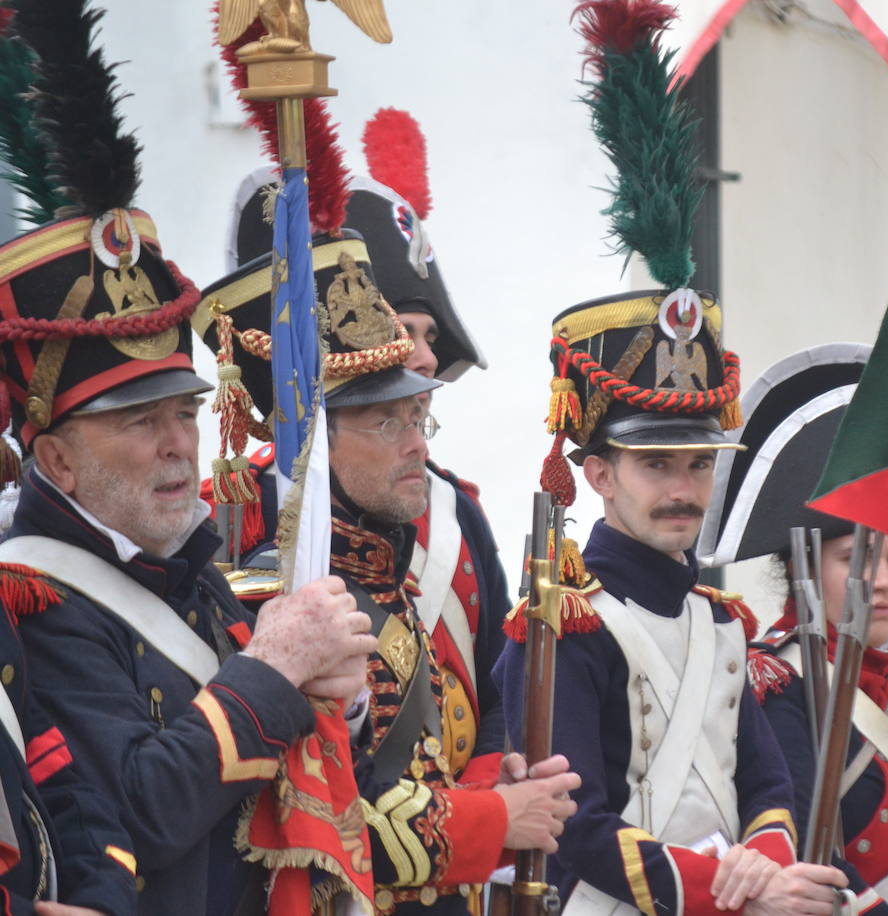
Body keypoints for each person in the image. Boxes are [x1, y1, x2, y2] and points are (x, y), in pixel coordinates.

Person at [0, 3, 376, 912]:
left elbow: (276, 768)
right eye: (138, 423)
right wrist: (277, 668)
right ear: (54, 457)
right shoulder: (34, 596)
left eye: (182, 411)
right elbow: (142, 808)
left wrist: (339, 697)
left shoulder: (190, 565)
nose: (177, 443)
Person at [497, 5, 847, 914]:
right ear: (599, 472)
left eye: (697, 463)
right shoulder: (559, 628)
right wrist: (733, 890)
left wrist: (762, 861)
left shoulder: (724, 624)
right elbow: (575, 827)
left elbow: (767, 786)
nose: (684, 487)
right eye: (658, 467)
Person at [198, 227, 578, 915]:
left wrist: (499, 786)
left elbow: (470, 715)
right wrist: (498, 818)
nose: (414, 445)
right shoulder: (281, 599)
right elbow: (330, 819)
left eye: (418, 417)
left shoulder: (382, 568)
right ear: (317, 437)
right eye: (385, 423)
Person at [697, 344, 888, 916]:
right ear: (803, 566)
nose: (880, 581)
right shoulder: (777, 686)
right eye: (853, 558)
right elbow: (817, 865)